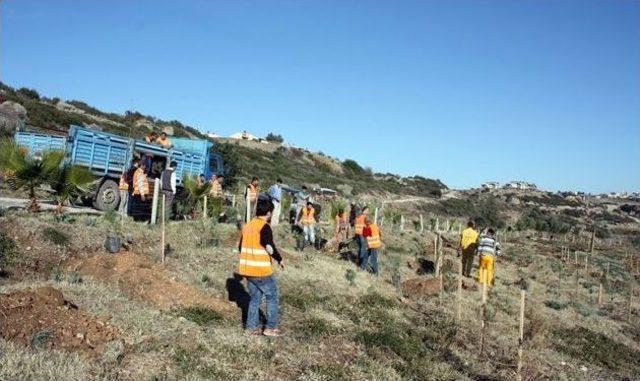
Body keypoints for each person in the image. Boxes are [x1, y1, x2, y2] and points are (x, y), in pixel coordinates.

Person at [237, 199, 284, 336]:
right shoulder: (264, 226)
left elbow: (241, 247)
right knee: (272, 296)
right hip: (260, 271)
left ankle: (251, 328)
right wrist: (279, 259)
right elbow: (269, 248)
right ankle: (271, 327)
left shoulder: (248, 225)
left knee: (255, 298)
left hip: (247, 270)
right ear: (269, 213)